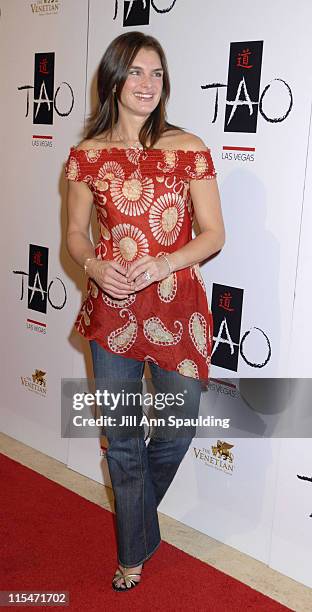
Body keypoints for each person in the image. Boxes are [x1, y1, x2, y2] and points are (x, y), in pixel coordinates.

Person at [65, 31, 225, 591]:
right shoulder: (87, 156)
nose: (147, 84)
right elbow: (75, 237)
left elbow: (213, 234)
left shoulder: (188, 147)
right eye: (135, 71)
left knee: (177, 430)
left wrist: (163, 264)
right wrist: (91, 267)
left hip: (177, 310)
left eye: (156, 73)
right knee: (124, 438)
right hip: (110, 313)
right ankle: (133, 550)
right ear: (113, 78)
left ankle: (137, 518)